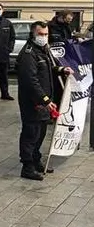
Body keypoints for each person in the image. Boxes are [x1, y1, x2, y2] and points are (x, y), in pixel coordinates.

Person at [17, 21, 71, 181]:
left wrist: (62, 70)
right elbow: (30, 80)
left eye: (46, 34)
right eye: (41, 34)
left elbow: (49, 68)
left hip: (44, 101)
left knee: (40, 132)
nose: (44, 37)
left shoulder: (44, 49)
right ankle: (27, 166)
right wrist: (45, 100)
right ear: (33, 34)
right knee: (31, 133)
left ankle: (36, 159)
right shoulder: (28, 54)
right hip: (33, 101)